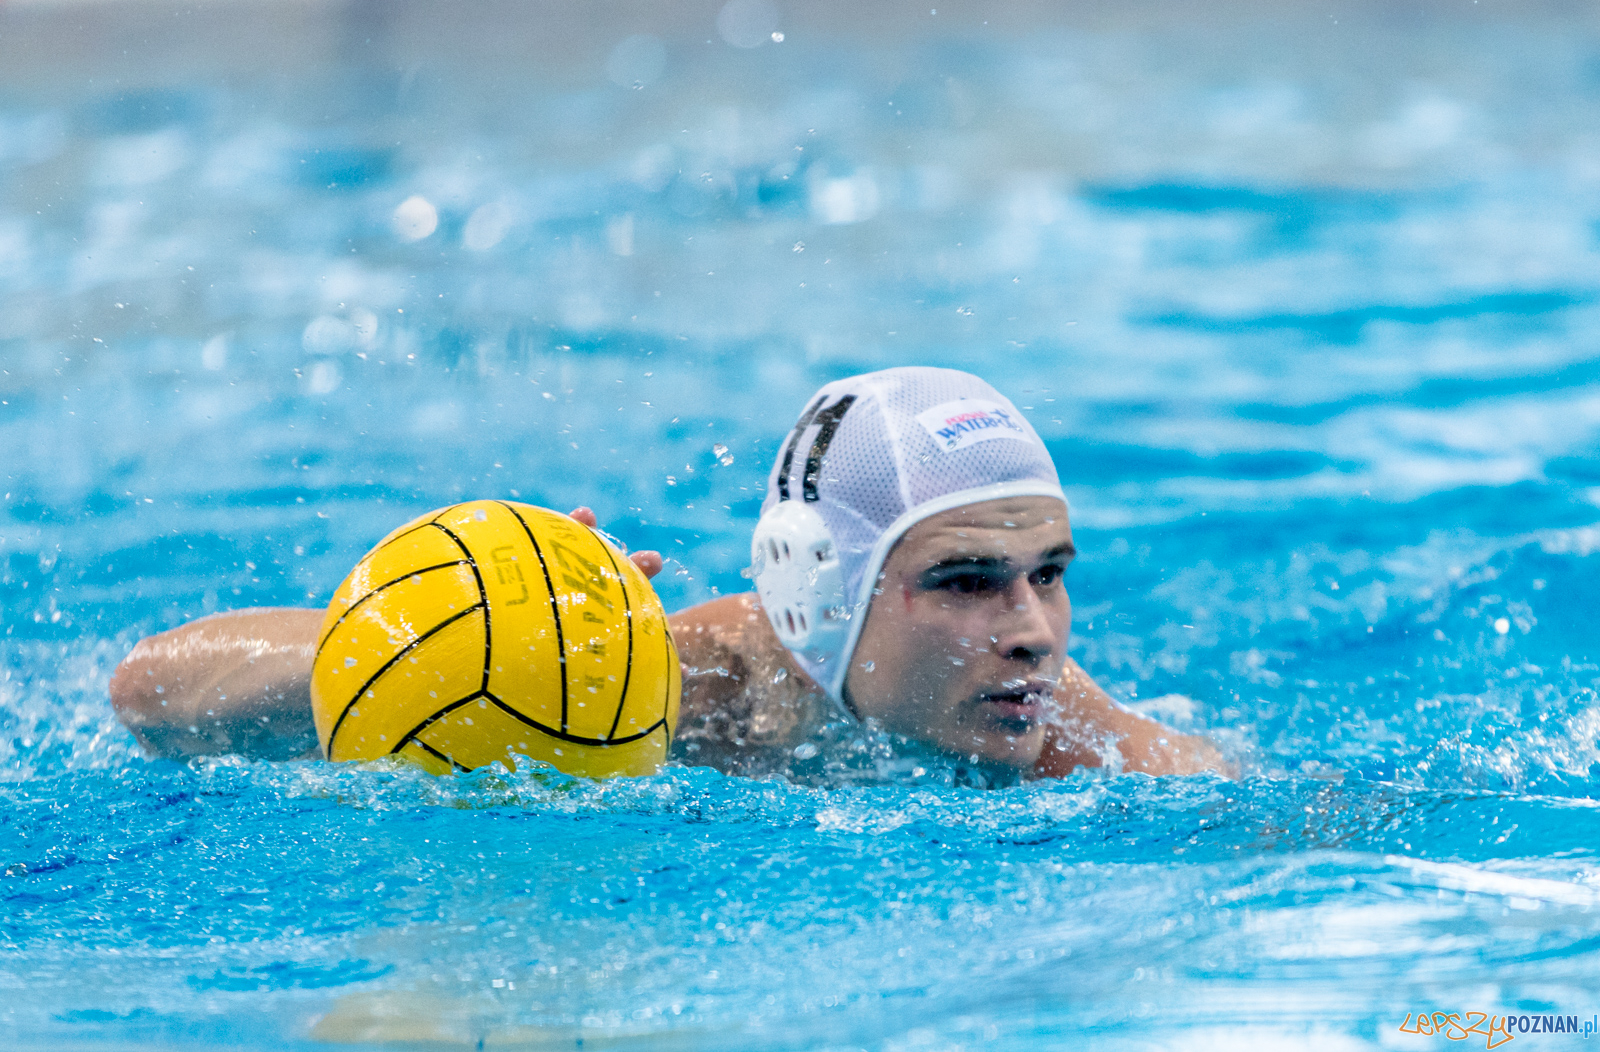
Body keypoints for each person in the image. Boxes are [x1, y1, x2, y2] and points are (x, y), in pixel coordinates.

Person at [110, 367, 1229, 781]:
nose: (1034, 630)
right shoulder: (677, 692)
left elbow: (1252, 814)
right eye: (967, 580)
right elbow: (147, 689)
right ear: (819, 590)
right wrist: (457, 634)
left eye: (1048, 573)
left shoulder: (1054, 728)